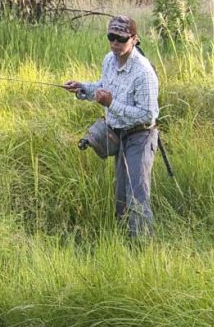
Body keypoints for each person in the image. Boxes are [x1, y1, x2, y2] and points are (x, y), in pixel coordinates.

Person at [63, 15, 160, 237]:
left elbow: (148, 114)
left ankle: (143, 246)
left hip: (140, 137)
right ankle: (125, 242)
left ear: (134, 39)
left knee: (137, 195)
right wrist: (82, 88)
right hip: (118, 134)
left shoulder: (143, 72)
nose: (115, 43)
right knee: (121, 196)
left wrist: (111, 104)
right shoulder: (109, 60)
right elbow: (103, 86)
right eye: (111, 37)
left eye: (121, 38)